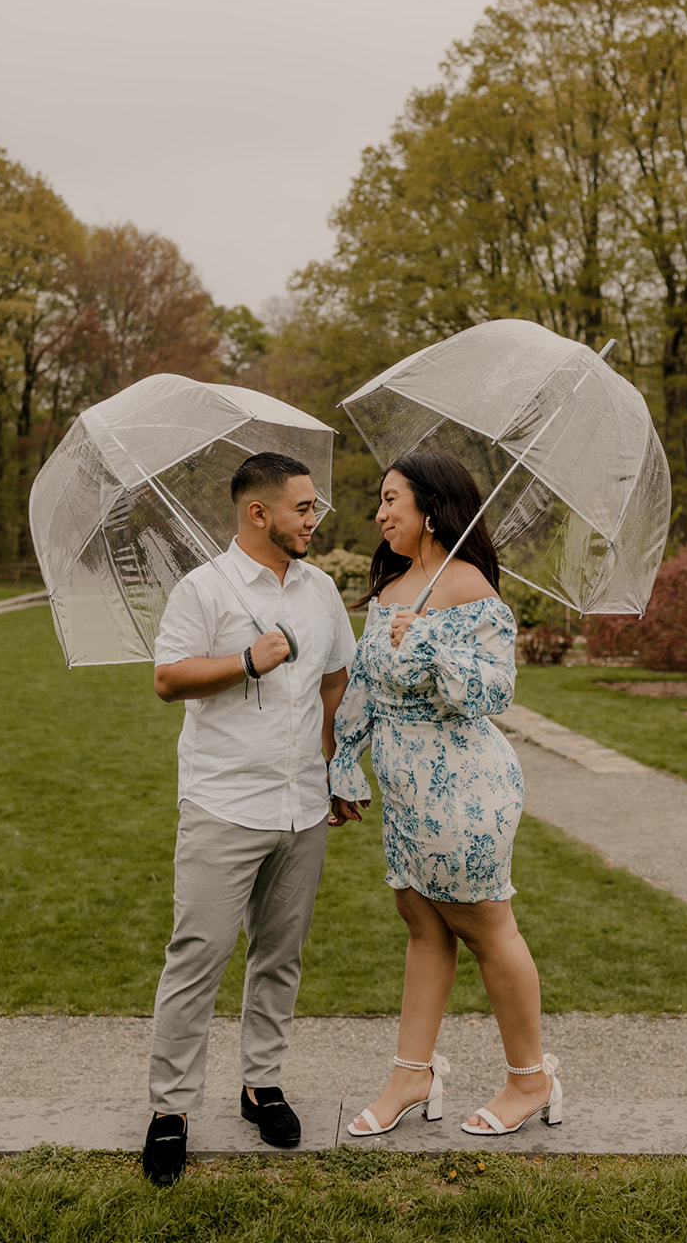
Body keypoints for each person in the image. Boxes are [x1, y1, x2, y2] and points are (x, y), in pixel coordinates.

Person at [328, 450, 562, 1138]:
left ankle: (530, 1079)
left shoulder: (472, 592)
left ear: (431, 509)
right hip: (403, 791)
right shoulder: (391, 589)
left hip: (464, 785)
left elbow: (493, 693)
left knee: (488, 927)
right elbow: (365, 685)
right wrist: (345, 758)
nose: (379, 513)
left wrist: (435, 651)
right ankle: (411, 1074)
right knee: (422, 925)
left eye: (390, 499)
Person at [143, 451, 356, 1186]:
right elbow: (169, 678)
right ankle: (170, 1110)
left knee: (280, 955)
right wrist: (247, 659)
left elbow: (334, 679)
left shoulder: (321, 589)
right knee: (197, 955)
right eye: (303, 508)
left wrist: (335, 769)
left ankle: (261, 1085)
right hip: (222, 804)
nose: (314, 519)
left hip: (300, 807)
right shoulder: (203, 589)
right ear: (257, 514)